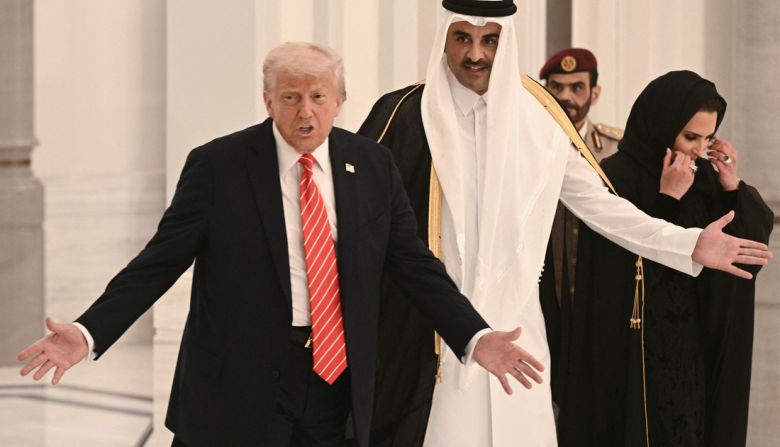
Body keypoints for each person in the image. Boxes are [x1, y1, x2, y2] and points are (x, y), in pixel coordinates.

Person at [17, 42, 546, 447]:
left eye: (318, 97)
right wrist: (88, 332)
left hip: (335, 379)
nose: (305, 112)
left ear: (340, 101)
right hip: (239, 382)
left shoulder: (372, 166)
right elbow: (158, 263)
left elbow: (413, 265)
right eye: (290, 97)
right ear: (268, 101)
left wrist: (474, 336)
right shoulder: (219, 167)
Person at [358, 0, 771, 447]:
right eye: (462, 38)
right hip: (433, 336)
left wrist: (687, 243)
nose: (476, 54)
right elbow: (360, 221)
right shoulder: (404, 115)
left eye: (490, 40)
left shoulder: (538, 117)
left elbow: (601, 207)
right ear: (444, 39)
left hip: (520, 334)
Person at [555, 70, 774, 447]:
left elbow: (745, 258)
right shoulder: (615, 179)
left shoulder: (705, 179)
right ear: (662, 125)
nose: (698, 150)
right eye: (690, 137)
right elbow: (617, 275)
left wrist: (731, 187)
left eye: (707, 139)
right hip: (630, 357)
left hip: (690, 354)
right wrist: (667, 201)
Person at [537, 47, 623, 419]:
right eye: (556, 87)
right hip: (545, 290)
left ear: (595, 93)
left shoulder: (616, 149)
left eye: (577, 88)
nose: (566, 97)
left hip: (596, 292)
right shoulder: (529, 144)